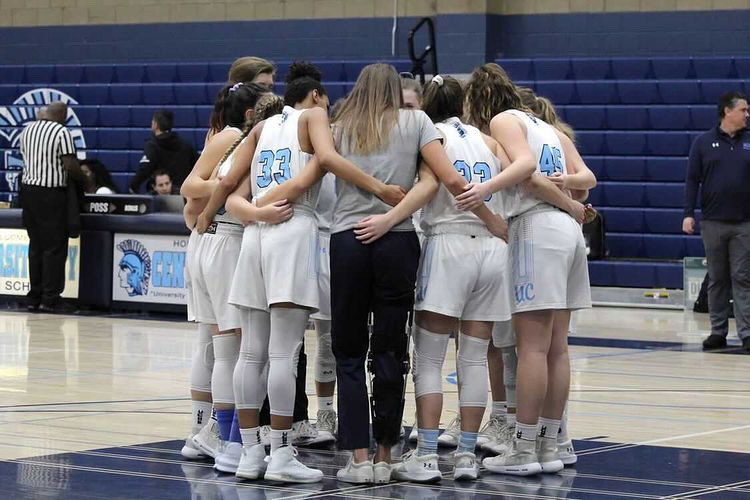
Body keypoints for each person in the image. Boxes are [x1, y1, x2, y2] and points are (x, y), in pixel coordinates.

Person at [201, 61, 404, 484]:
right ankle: (280, 454)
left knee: (251, 352)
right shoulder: (314, 116)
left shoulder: (262, 127)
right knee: (283, 352)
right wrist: (380, 188)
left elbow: (229, 190)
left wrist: (226, 213)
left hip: (255, 231)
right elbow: (326, 160)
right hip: (292, 230)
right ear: (314, 96)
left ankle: (250, 453)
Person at [327, 64, 505, 485]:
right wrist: (390, 217)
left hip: (351, 240)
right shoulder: (420, 122)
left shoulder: (338, 128)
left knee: (350, 354)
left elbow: (321, 168)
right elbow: (442, 178)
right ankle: (390, 453)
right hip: (401, 240)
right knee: (393, 351)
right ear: (398, 91)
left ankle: (359, 457)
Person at [392, 75, 535, 483]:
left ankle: (425, 454)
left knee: (431, 358)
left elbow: (430, 186)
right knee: (473, 357)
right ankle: (469, 455)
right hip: (492, 250)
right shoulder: (489, 139)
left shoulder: (430, 137)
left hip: (449, 244)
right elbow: (523, 177)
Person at [460, 63, 594, 476]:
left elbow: (527, 173)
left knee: (532, 347)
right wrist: (572, 200)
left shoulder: (503, 121)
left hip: (537, 227)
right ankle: (552, 443)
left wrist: (484, 188)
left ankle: (524, 448)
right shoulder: (548, 126)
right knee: (557, 347)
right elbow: (587, 178)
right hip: (569, 234)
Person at [178, 82, 268, 467]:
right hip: (221, 241)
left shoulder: (234, 137)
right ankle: (223, 436)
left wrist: (206, 205)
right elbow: (188, 187)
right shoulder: (231, 137)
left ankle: (210, 432)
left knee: (218, 345)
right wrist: (223, 188)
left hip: (210, 240)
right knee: (230, 346)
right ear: (250, 113)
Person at [684, 90, 750, 352]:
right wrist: (688, 213)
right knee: (718, 279)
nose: (747, 114)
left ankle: (747, 334)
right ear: (727, 111)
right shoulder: (702, 142)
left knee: (743, 278)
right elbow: (692, 180)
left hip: (745, 223)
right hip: (712, 222)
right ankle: (717, 332)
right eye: (743, 110)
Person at [18, 101, 84, 313]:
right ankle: (50, 299)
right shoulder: (61, 132)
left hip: (28, 192)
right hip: (51, 193)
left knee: (35, 246)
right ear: (63, 115)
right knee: (54, 248)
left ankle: (33, 297)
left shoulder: (27, 130)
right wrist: (86, 181)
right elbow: (70, 165)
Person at [129, 110, 198, 193]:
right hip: (184, 193)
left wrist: (133, 186)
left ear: (155, 125)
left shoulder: (153, 145)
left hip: (161, 196)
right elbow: (198, 165)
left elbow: (144, 169)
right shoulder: (186, 144)